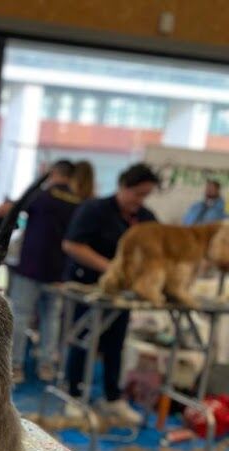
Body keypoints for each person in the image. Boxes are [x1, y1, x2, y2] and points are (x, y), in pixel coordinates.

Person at [62, 163, 159, 425]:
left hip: (123, 294)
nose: (140, 201)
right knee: (84, 340)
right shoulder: (94, 210)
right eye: (137, 194)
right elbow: (72, 244)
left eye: (146, 196)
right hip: (89, 286)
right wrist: (112, 270)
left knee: (116, 344)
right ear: (123, 186)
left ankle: (112, 397)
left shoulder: (146, 218)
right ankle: (74, 394)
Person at [9, 159, 81, 384]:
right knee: (51, 319)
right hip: (59, 271)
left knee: (20, 316)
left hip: (30, 266)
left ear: (53, 173)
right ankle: (46, 365)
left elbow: (15, 209)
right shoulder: (79, 202)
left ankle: (15, 366)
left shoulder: (41, 195)